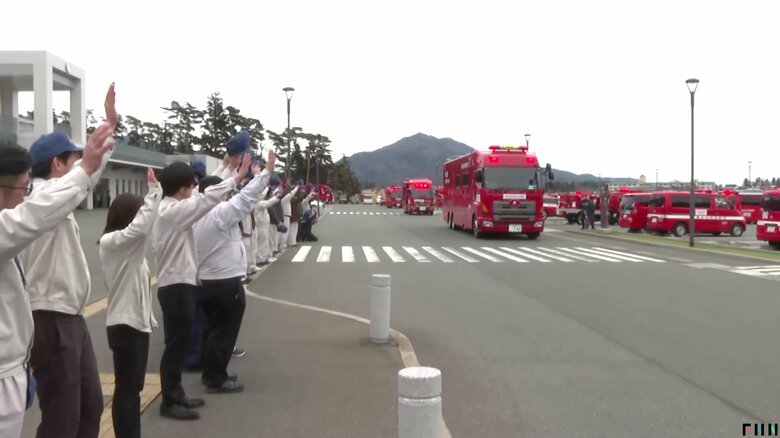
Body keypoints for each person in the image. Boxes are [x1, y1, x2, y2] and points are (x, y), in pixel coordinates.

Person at [0, 123, 114, 438]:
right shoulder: (42, 193)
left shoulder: (48, 196)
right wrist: (92, 162)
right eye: (76, 159)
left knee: (89, 405)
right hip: (51, 317)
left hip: (68, 315)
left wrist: (106, 138)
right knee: (63, 416)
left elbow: (83, 182)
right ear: (57, 164)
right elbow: (63, 193)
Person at [152, 153, 251, 421]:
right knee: (174, 347)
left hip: (182, 284)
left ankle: (177, 394)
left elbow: (202, 197)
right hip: (176, 287)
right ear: (183, 188)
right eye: (191, 186)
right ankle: (170, 401)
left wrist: (228, 170)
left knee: (180, 344)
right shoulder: (173, 212)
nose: (193, 190)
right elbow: (206, 198)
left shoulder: (171, 208)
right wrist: (237, 177)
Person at [193, 150, 274, 394]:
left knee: (212, 329)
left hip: (207, 280)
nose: (229, 195)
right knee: (223, 331)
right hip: (223, 282)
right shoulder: (217, 213)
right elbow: (245, 200)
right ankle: (216, 377)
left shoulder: (195, 213)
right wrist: (265, 173)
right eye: (225, 191)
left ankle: (210, 371)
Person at [99, 168, 161, 438]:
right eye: (138, 214)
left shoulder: (127, 248)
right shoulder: (114, 242)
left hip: (134, 323)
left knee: (132, 387)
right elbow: (141, 227)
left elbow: (141, 227)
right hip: (125, 326)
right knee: (127, 389)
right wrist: (154, 192)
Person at [255, 185, 282, 266]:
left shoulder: (259, 201)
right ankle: (260, 259)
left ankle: (264, 258)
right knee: (262, 243)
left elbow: (263, 197)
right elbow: (269, 203)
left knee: (265, 243)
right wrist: (277, 197)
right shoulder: (258, 203)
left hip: (264, 225)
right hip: (261, 225)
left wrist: (266, 187)